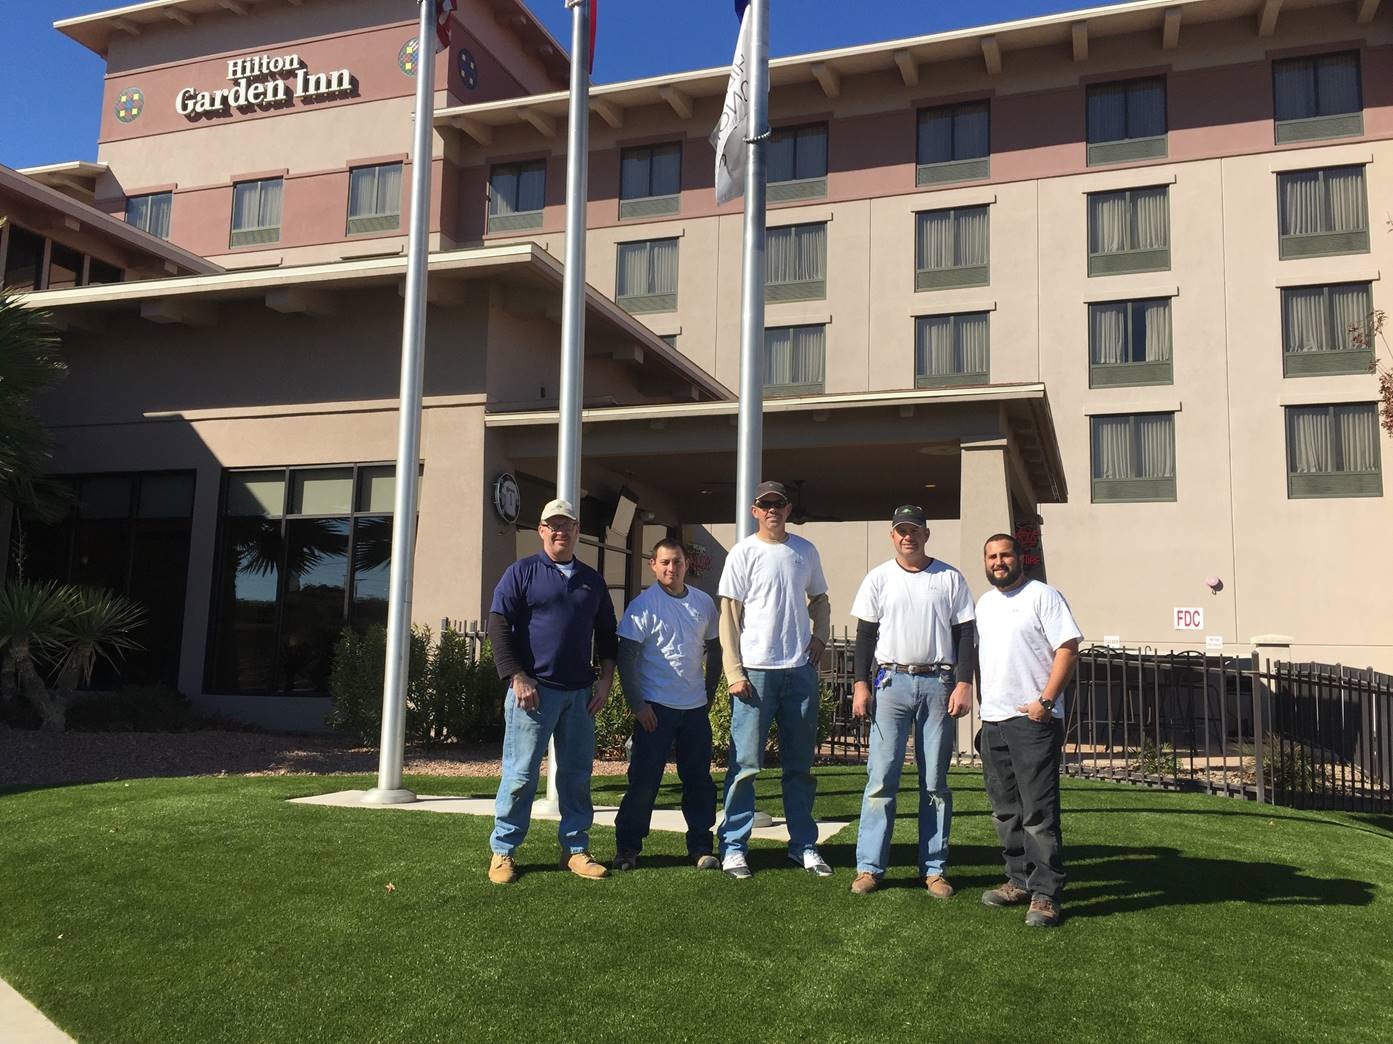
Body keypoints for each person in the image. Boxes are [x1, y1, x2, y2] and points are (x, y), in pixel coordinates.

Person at [484, 498, 618, 884]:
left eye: (568, 525)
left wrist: (606, 682)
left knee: (576, 777)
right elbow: (498, 625)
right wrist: (516, 676)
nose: (561, 531)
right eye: (553, 525)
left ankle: (575, 850)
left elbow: (608, 635)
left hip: (579, 696)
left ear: (577, 531)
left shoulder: (592, 580)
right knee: (521, 775)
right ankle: (504, 852)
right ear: (541, 531)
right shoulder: (521, 572)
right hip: (532, 693)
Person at [848, 505, 976, 897]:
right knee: (881, 779)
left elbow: (966, 635)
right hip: (891, 684)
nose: (908, 537)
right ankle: (870, 867)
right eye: (901, 531)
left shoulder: (950, 577)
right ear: (892, 536)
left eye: (915, 530)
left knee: (935, 782)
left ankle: (934, 869)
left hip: (938, 683)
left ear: (926, 534)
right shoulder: (878, 578)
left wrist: (964, 682)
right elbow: (865, 636)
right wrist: (859, 684)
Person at [716, 480, 833, 880]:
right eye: (765, 505)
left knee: (800, 766)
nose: (772, 511)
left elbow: (820, 600)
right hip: (754, 674)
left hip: (797, 674)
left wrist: (820, 637)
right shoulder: (742, 553)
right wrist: (733, 672)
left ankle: (803, 846)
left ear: (787, 508)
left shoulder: (805, 551)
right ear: (755, 511)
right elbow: (729, 616)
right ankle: (733, 846)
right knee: (745, 766)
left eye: (779, 504)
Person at [975, 532, 1081, 927]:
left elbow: (1067, 647)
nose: (998, 562)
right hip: (995, 720)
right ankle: (1017, 880)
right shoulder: (985, 604)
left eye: (1005, 555)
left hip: (1033, 720)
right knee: (1006, 810)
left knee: (1038, 811)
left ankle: (1046, 893)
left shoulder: (1043, 596)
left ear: (1021, 558)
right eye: (991, 557)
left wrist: (1046, 702)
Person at [612, 538, 722, 872]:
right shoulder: (643, 606)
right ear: (653, 566)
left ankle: (701, 846)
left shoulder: (703, 603)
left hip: (693, 710)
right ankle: (628, 849)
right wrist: (638, 705)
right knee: (644, 783)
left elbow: (716, 649)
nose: (671, 569)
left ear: (686, 564)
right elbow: (626, 659)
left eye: (676, 562)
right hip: (654, 710)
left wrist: (709, 692)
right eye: (664, 563)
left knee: (699, 781)